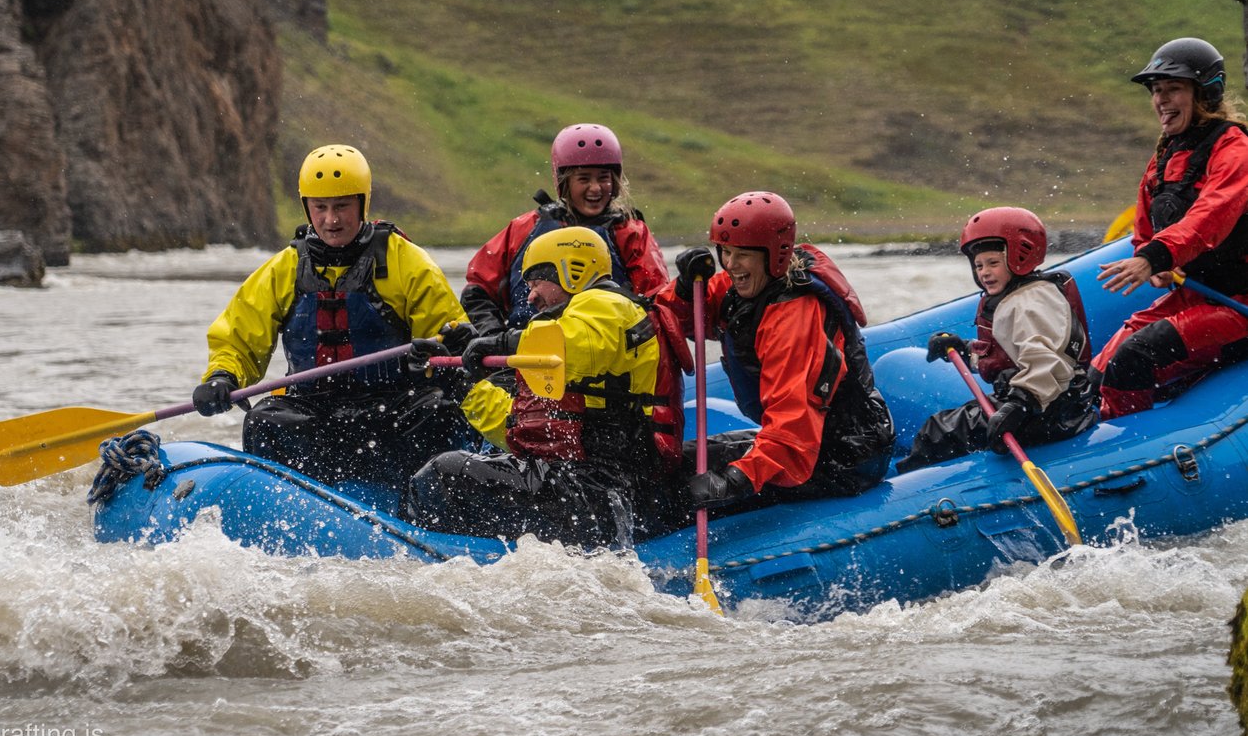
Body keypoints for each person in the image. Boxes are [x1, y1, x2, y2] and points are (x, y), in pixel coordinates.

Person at [191, 144, 477, 488]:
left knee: (441, 409)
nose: (331, 219)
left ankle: (424, 502)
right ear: (306, 207)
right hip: (313, 412)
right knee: (263, 419)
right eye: (320, 207)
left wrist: (439, 358)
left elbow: (449, 338)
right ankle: (296, 502)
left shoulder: (406, 262)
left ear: (362, 203)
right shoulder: (284, 268)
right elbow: (238, 339)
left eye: (342, 206)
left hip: (390, 411)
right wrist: (222, 377)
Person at [404, 226, 667, 548]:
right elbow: (520, 431)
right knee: (450, 470)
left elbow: (575, 344)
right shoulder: (558, 340)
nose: (530, 296)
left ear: (571, 272)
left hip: (597, 490)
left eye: (536, 282)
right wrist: (461, 384)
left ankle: (427, 556)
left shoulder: (609, 306)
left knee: (444, 474)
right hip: (577, 489)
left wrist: (499, 342)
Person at [460, 122, 689, 469]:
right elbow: (478, 289)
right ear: (564, 182)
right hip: (518, 358)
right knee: (501, 422)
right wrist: (497, 341)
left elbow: (654, 309)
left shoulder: (630, 234)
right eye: (584, 178)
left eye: (604, 177)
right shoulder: (525, 228)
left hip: (595, 373)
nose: (596, 188)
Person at [658, 191, 895, 512]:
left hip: (842, 454)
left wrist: (732, 481)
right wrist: (686, 289)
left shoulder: (796, 318)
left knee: (679, 498)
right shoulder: (743, 284)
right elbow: (678, 318)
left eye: (741, 254)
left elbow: (793, 432)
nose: (730, 264)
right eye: (725, 252)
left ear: (774, 255)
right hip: (801, 440)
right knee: (668, 467)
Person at [1091, 37, 1248, 418]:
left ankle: (1123, 450)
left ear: (1206, 92)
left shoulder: (1235, 150)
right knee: (1095, 374)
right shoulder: (1166, 155)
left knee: (1134, 356)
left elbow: (1208, 218)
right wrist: (1155, 262)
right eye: (1157, 91)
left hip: (1239, 306)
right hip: (1196, 298)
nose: (1161, 100)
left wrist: (1154, 257)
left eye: (1173, 89)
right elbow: (1146, 226)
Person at [895, 207, 1098, 473]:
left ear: (1019, 256)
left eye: (993, 263)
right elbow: (1002, 358)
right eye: (979, 265)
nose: (984, 273)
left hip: (1052, 410)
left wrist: (1018, 405)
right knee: (943, 425)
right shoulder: (1017, 297)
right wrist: (961, 349)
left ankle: (914, 496)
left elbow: (1046, 362)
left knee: (937, 432)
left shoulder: (1032, 300)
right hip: (1041, 403)